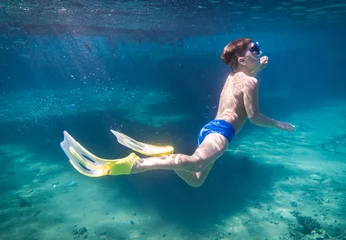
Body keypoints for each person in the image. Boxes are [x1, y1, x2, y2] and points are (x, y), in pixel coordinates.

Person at [60, 38, 295, 187]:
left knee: (196, 181)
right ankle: (134, 164)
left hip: (210, 129)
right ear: (243, 60)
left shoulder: (235, 75)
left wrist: (257, 67)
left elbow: (244, 81)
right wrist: (278, 124)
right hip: (222, 133)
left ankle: (169, 155)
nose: (260, 52)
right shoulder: (249, 82)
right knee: (193, 164)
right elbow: (254, 117)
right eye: (255, 50)